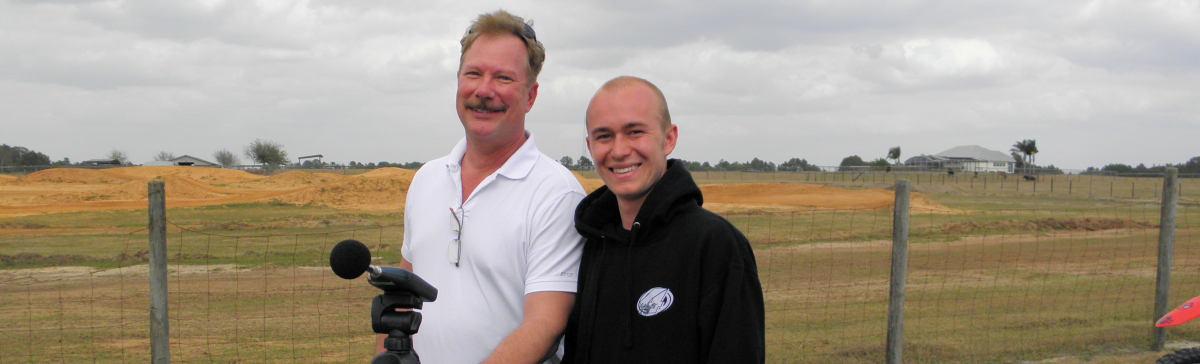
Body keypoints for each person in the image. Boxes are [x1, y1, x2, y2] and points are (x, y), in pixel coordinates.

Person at [379, 10, 586, 364]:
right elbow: (401, 299)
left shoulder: (556, 194)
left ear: (531, 96)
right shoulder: (426, 179)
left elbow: (545, 325)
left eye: (503, 78)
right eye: (473, 74)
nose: (483, 91)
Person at [563, 76, 765, 363]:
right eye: (604, 136)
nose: (619, 151)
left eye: (634, 132)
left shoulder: (714, 245)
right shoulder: (591, 245)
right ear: (589, 145)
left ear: (669, 139)